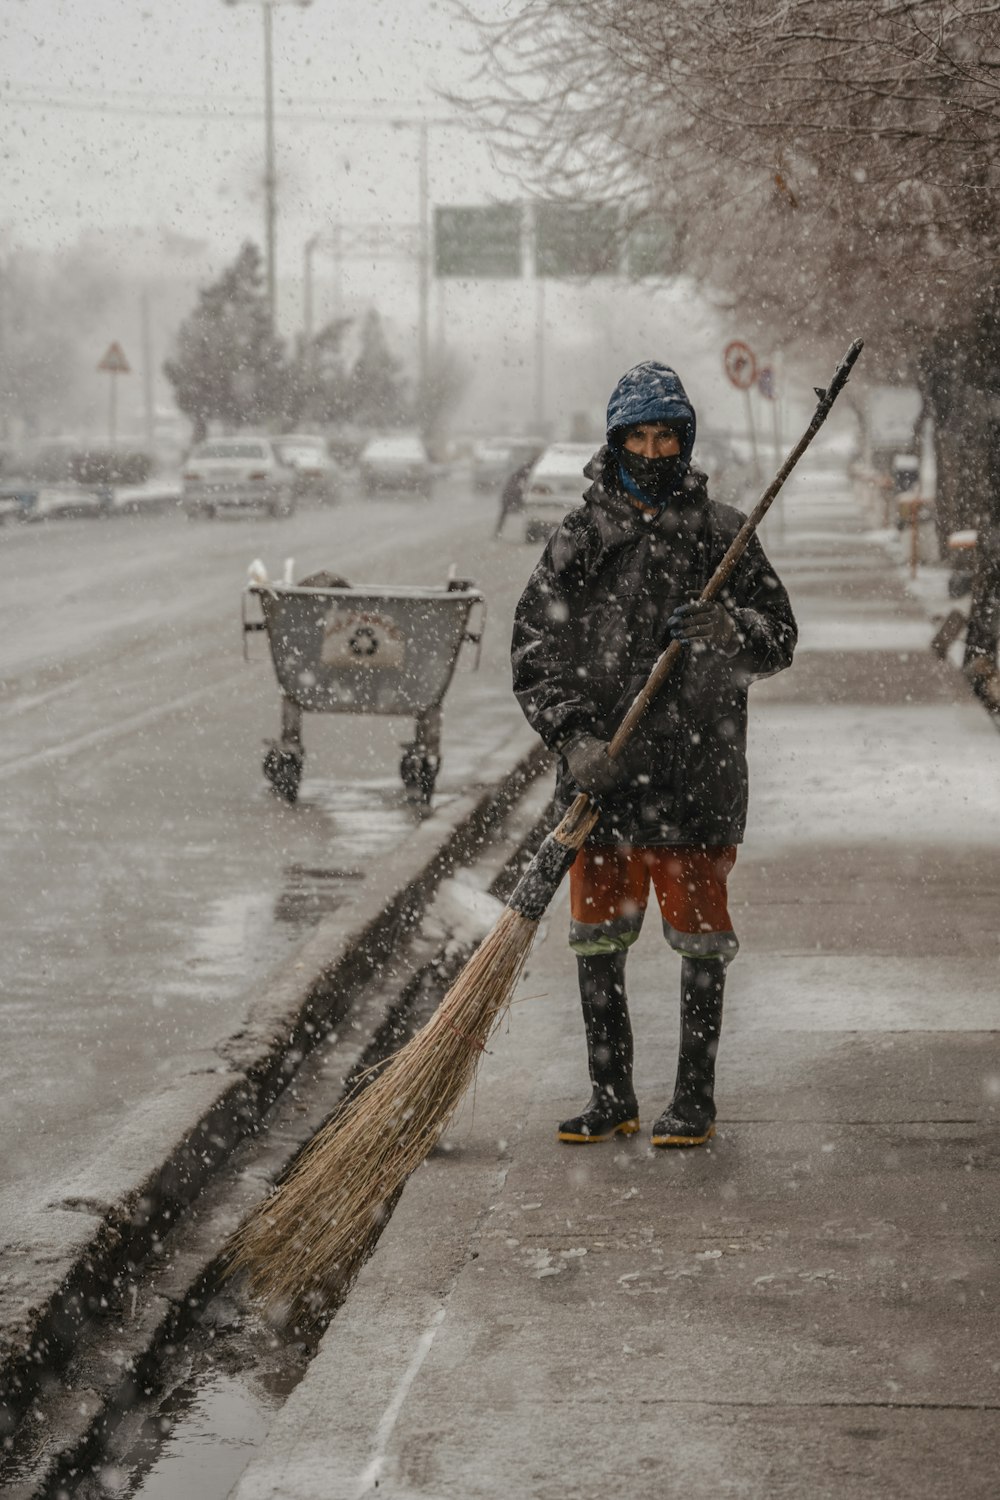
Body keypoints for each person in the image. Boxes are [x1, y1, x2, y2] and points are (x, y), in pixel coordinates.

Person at [511, 361, 797, 1147]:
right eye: (637, 434)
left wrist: (730, 627)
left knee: (700, 940)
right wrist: (573, 737)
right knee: (598, 939)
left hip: (693, 775)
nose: (651, 447)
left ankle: (694, 1099)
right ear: (615, 441)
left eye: (664, 434)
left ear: (684, 439)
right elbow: (534, 648)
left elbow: (780, 640)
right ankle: (613, 1095)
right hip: (603, 779)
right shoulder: (580, 538)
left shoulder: (722, 536)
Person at [494, 455, 537, 538]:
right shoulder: (531, 471)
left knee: (504, 513)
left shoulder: (523, 470)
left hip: (509, 493)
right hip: (514, 494)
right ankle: (532, 533)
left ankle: (498, 532)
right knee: (530, 512)